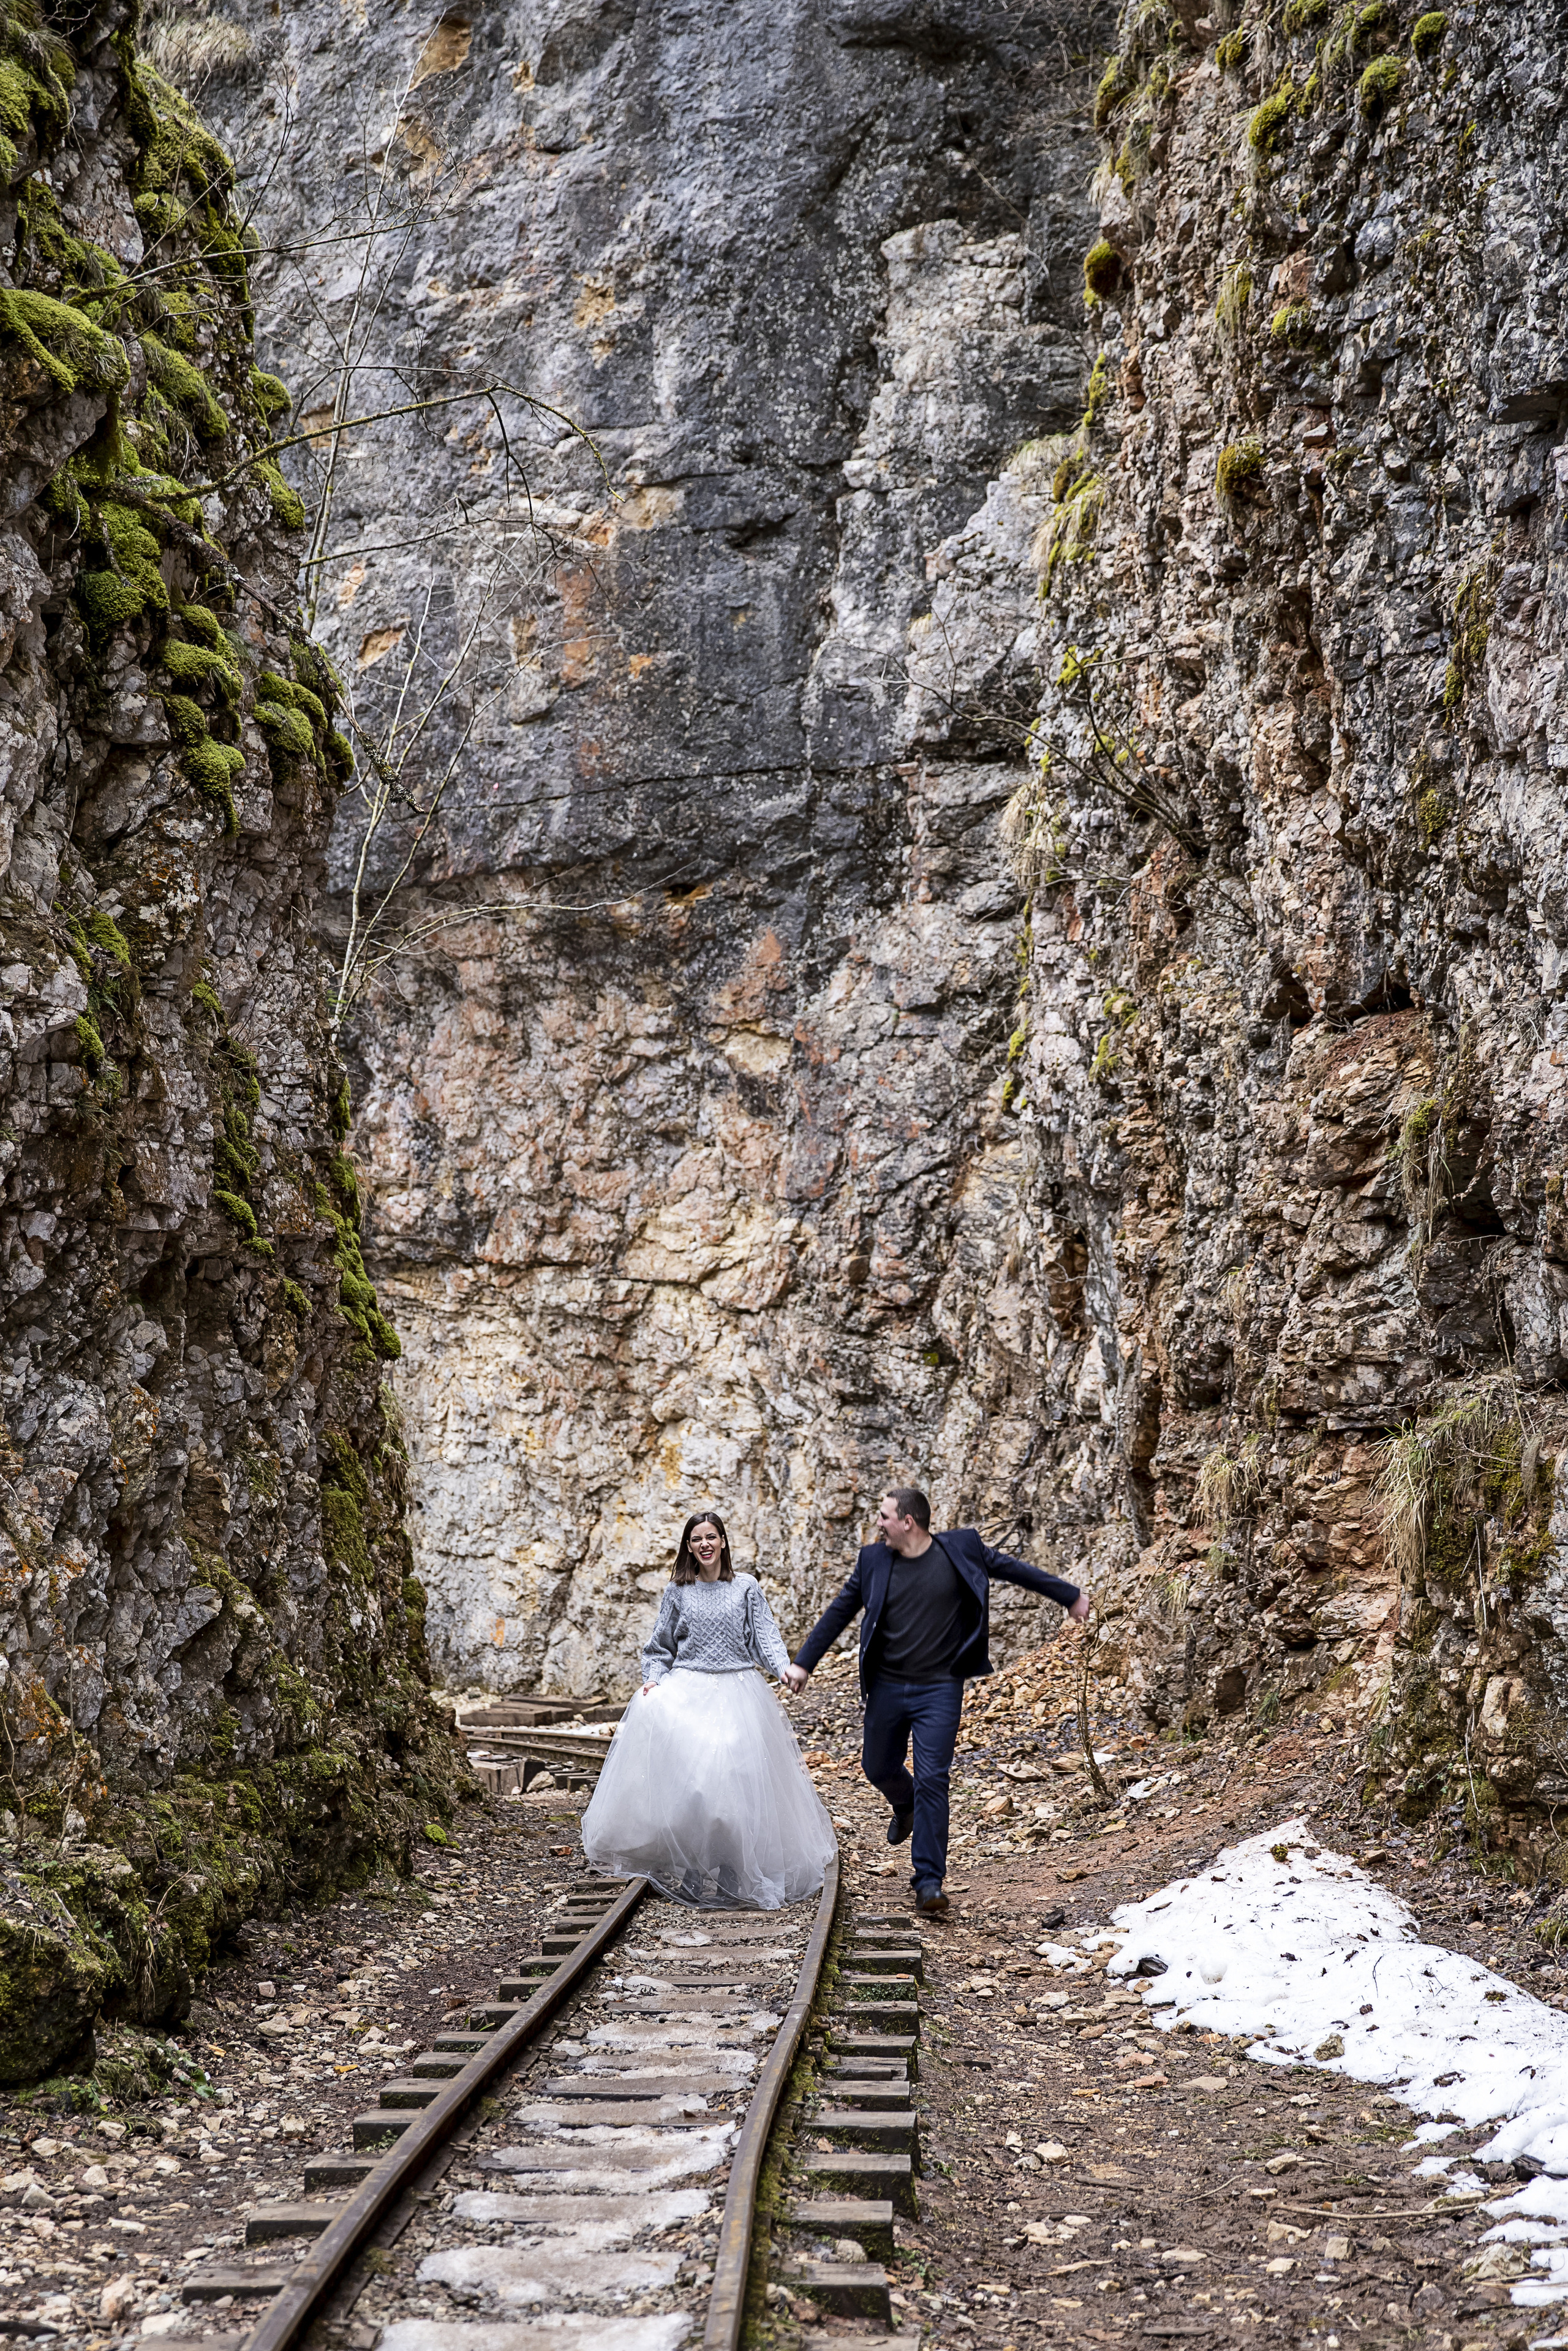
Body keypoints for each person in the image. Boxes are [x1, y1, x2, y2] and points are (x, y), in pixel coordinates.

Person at [783, 1486, 1089, 1917]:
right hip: (888, 1687)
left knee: (934, 1779)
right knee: (878, 1767)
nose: (879, 1523)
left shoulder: (960, 1549)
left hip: (940, 1688)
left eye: (885, 1516)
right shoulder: (874, 1561)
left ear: (908, 1521)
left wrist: (1070, 1596)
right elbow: (841, 1610)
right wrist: (804, 1664)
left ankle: (928, 1881)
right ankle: (902, 1803)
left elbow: (1016, 1571)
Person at [581, 1510, 837, 1909]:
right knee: (697, 1785)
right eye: (697, 1538)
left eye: (711, 1537)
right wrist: (653, 1678)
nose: (705, 1544)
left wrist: (785, 1668)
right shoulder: (677, 1592)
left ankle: (733, 1864)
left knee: (735, 1779)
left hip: (738, 1690)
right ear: (688, 1546)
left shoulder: (746, 1587)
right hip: (689, 1689)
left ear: (723, 1542)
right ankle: (697, 1866)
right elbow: (659, 1648)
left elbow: (766, 1639)